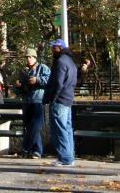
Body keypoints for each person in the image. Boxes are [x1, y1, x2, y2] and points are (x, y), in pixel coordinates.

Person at [43, 38, 77, 167]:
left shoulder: (60, 62)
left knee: (60, 129)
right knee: (67, 128)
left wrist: (53, 98)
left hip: (60, 99)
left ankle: (65, 158)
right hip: (68, 98)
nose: (52, 50)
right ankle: (69, 156)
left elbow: (58, 83)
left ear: (60, 48)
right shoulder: (70, 61)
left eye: (54, 47)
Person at [14, 48, 50, 159]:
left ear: (35, 58)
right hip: (26, 100)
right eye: (27, 57)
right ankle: (36, 151)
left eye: (30, 57)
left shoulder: (42, 68)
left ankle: (25, 148)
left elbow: (49, 79)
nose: (28, 59)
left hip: (38, 100)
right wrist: (17, 86)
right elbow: (18, 91)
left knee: (35, 126)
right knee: (29, 126)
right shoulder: (23, 71)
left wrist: (37, 80)